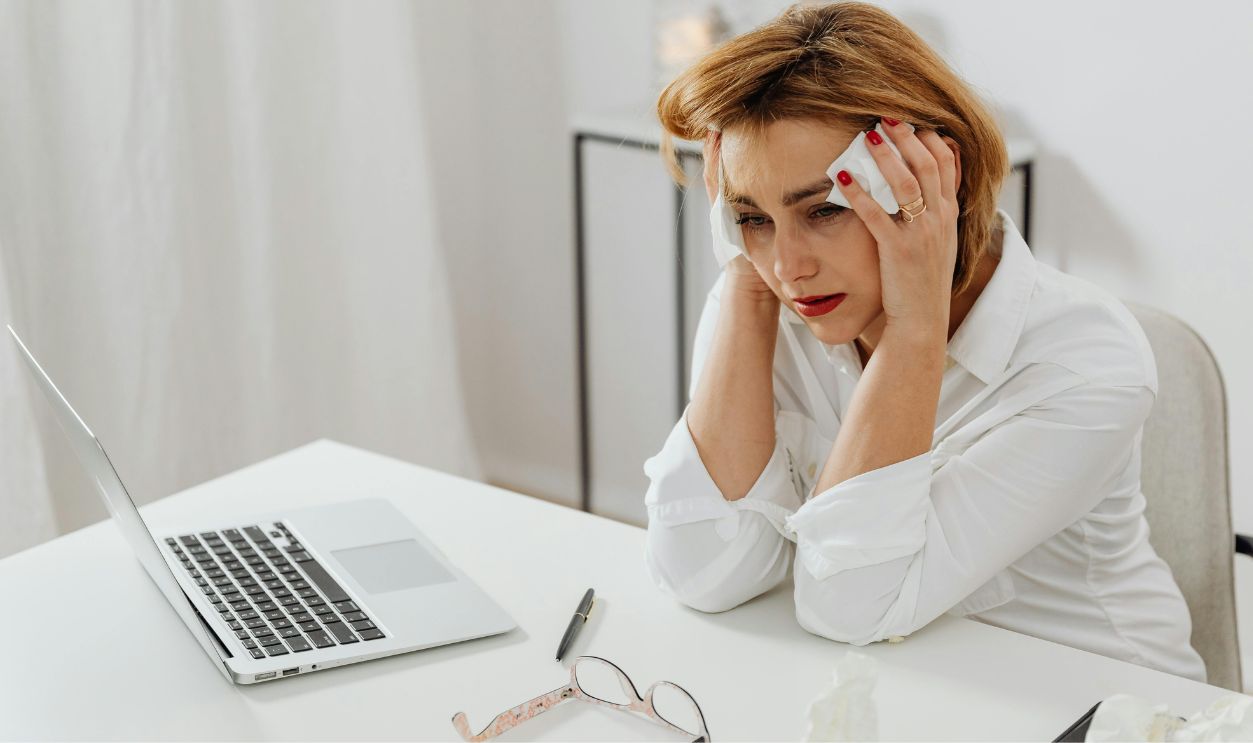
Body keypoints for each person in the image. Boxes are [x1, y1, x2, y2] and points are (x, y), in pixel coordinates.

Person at [642, 1, 1207, 683]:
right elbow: (701, 572)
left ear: (933, 175)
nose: (787, 265)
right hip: (906, 693)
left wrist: (914, 329)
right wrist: (742, 282)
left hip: (1099, 705)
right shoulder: (768, 298)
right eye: (751, 216)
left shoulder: (1084, 363)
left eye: (823, 209)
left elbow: (847, 606)